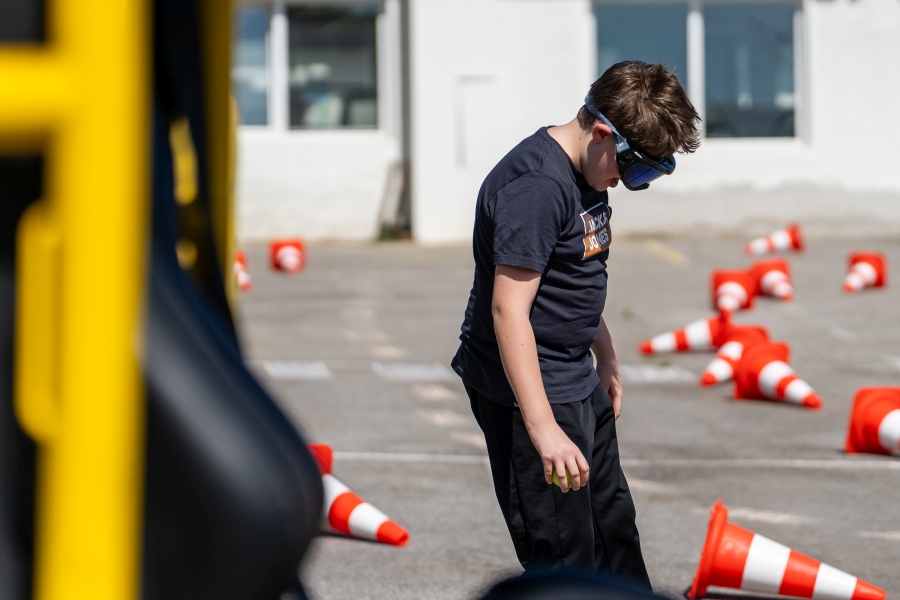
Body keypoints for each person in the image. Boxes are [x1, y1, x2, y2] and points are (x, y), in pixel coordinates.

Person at [450, 61, 700, 586]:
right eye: (635, 171)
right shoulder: (537, 188)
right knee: (565, 557)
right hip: (532, 391)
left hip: (576, 378)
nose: (630, 183)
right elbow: (508, 309)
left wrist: (605, 356)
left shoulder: (589, 169)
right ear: (603, 133)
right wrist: (543, 429)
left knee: (614, 532)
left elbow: (574, 277)